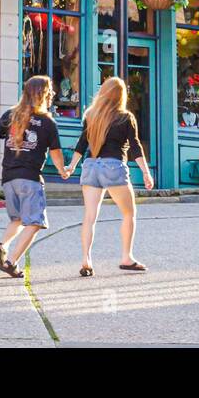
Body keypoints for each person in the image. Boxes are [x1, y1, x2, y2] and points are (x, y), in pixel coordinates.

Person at [63, 75, 153, 276]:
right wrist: (146, 173)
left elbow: (81, 144)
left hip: (90, 166)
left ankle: (86, 259)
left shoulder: (91, 115)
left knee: (90, 217)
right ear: (121, 96)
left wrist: (71, 166)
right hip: (113, 167)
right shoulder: (125, 117)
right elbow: (135, 148)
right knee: (129, 213)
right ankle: (126, 257)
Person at [0, 75, 66, 278]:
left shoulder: (11, 115)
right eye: (50, 91)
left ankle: (2, 246)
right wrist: (63, 170)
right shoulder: (47, 122)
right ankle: (11, 262)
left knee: (17, 219)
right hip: (30, 179)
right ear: (44, 95)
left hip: (9, 178)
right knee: (35, 223)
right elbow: (56, 153)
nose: (52, 94)